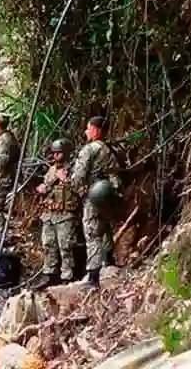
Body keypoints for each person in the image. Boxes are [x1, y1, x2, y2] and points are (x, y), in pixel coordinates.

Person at [70, 116, 122, 289]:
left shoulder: (89, 149)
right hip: (108, 194)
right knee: (106, 227)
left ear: (95, 130)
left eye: (88, 128)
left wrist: (78, 190)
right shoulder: (110, 149)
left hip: (93, 195)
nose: (86, 131)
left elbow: (78, 176)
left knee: (92, 232)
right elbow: (117, 173)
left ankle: (93, 277)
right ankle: (109, 261)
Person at [33, 139, 80, 290]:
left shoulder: (74, 170)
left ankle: (67, 276)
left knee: (65, 247)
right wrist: (42, 188)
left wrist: (65, 179)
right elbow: (46, 187)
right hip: (49, 214)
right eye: (54, 153)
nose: (56, 156)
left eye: (59, 153)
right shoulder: (51, 170)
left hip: (65, 214)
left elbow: (80, 190)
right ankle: (49, 274)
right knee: (48, 244)